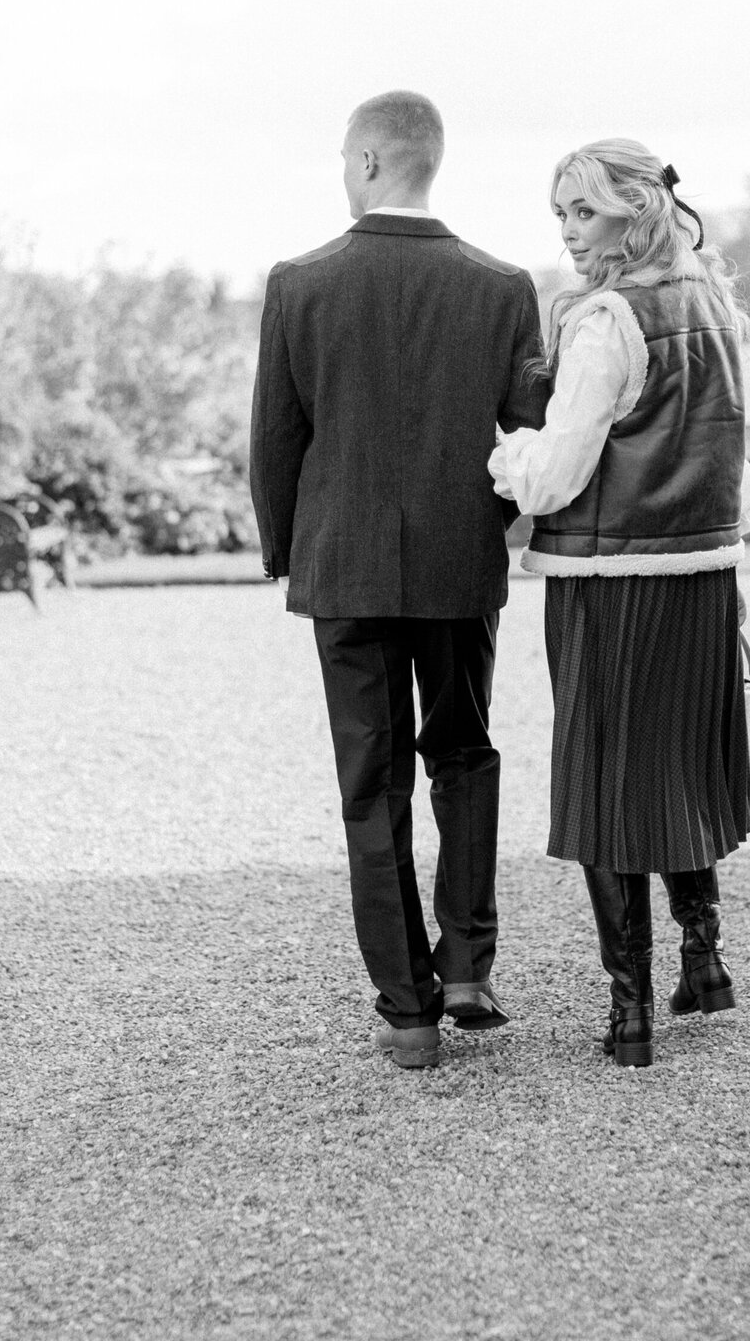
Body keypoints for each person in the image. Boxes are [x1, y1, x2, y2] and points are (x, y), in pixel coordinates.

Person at [250, 91, 547, 1070]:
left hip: (346, 569)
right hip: (460, 566)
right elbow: (529, 437)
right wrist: (490, 527)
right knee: (463, 755)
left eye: (346, 157)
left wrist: (296, 554)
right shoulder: (504, 288)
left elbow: (276, 444)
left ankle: (408, 1011)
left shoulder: (299, 283)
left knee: (369, 787)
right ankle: (467, 964)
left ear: (374, 161)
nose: (343, 171)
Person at [489, 138, 750, 1068]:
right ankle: (704, 960)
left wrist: (502, 457)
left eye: (585, 212)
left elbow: (555, 475)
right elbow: (737, 465)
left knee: (606, 784)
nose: (567, 231)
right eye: (559, 212)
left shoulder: (607, 319)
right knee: (681, 764)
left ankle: (629, 1010)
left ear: (635, 210)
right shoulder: (712, 302)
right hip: (704, 574)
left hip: (613, 584)